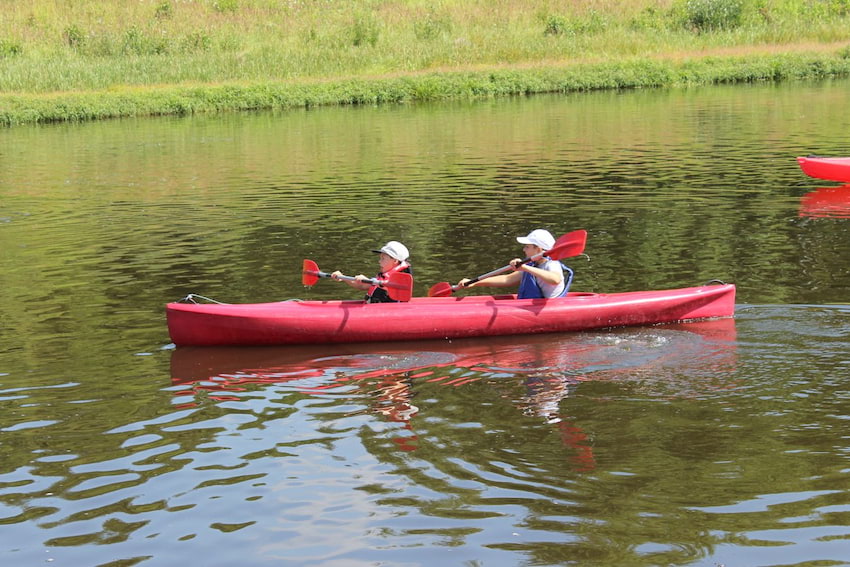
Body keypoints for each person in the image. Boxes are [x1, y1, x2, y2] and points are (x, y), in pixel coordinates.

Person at [457, 229, 572, 299]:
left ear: (538, 249)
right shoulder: (534, 265)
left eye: (527, 246)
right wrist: (475, 283)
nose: (524, 250)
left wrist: (525, 268)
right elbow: (507, 279)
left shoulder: (551, 264)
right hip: (536, 305)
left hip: (550, 308)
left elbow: (555, 279)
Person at [332, 240, 412, 303]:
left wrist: (370, 281)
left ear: (395, 261)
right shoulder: (382, 278)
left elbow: (389, 287)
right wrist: (343, 277)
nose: (379, 262)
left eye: (383, 258)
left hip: (390, 313)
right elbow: (362, 286)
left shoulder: (402, 279)